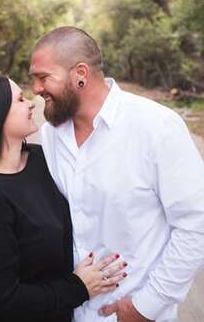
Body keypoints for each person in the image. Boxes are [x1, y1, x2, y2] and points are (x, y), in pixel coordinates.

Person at [30, 27, 204, 322]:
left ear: (80, 74)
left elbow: (196, 224)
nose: (35, 88)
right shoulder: (51, 135)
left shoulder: (157, 126)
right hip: (67, 312)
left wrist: (147, 306)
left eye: (43, 77)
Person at [0, 74, 127, 321]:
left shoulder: (42, 159)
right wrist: (78, 287)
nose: (32, 103)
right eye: (20, 99)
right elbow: (4, 299)